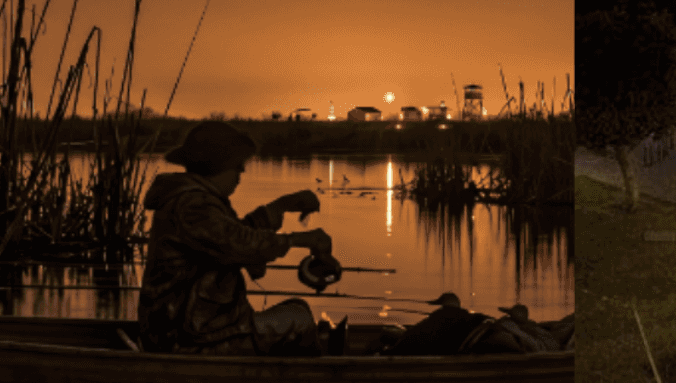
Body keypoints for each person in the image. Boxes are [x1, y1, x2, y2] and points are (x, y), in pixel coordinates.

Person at [139, 121, 341, 356]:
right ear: (218, 164)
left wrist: (281, 207)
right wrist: (298, 240)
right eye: (238, 165)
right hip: (187, 340)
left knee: (297, 309)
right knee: (299, 319)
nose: (242, 172)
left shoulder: (196, 200)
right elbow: (241, 243)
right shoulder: (192, 205)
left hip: (195, 330)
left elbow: (231, 236)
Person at [383, 292, 493, 355]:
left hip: (427, 350)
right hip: (440, 349)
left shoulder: (440, 317)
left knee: (386, 335)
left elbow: (418, 331)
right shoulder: (468, 318)